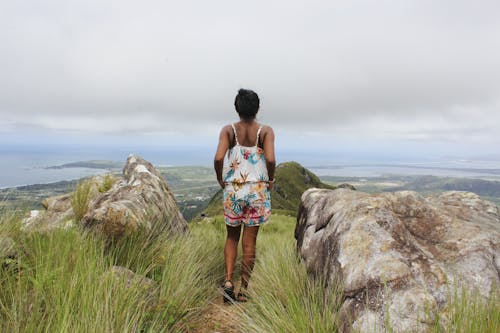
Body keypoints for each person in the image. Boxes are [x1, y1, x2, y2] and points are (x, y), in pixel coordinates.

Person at [213, 88, 276, 303]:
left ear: (236, 108)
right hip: (257, 190)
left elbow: (219, 157)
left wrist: (221, 179)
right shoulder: (265, 132)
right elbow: (270, 160)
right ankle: (244, 290)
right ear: (257, 108)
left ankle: (228, 281)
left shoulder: (228, 131)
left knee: (231, 237)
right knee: (250, 242)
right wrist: (271, 179)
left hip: (234, 189)